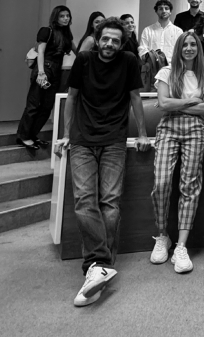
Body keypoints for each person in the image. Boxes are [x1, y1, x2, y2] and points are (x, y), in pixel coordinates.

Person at [56, 17, 151, 306]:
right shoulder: (84, 60)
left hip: (114, 140)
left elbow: (135, 98)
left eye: (115, 40)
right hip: (82, 140)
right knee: (85, 201)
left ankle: (98, 267)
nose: (110, 44)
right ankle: (99, 264)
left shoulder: (129, 61)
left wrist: (143, 133)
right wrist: (66, 134)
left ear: (122, 44)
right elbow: (72, 98)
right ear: (98, 40)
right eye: (106, 39)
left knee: (110, 202)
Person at [149, 31, 204, 274]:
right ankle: (162, 236)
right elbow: (163, 104)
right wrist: (191, 101)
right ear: (178, 48)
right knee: (162, 182)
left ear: (198, 48)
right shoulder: (166, 72)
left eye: (193, 45)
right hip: (168, 128)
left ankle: (181, 246)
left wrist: (175, 103)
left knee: (190, 184)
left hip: (195, 130)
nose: (189, 48)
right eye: (185, 44)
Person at [17, 5, 77, 150]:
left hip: (56, 71)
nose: (65, 18)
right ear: (56, 17)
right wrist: (41, 72)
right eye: (62, 16)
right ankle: (23, 136)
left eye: (67, 16)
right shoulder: (47, 31)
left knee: (47, 106)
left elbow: (77, 52)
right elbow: (41, 52)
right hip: (45, 68)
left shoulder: (67, 35)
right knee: (33, 104)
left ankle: (32, 135)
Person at [139, 0, 183, 65]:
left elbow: (181, 50)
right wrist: (151, 60)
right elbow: (143, 49)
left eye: (166, 8)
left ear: (170, 12)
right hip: (153, 67)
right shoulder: (148, 30)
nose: (164, 11)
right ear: (156, 11)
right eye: (160, 9)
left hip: (172, 67)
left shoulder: (178, 31)